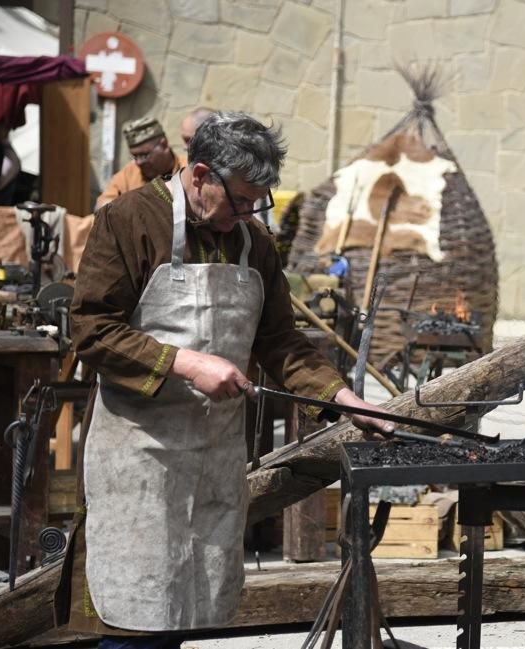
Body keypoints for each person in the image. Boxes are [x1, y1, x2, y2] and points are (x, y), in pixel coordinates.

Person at [62, 111, 394, 648]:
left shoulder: (254, 243)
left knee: (189, 609)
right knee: (137, 615)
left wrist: (344, 397)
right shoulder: (127, 220)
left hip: (214, 458)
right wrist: (186, 362)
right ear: (199, 175)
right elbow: (91, 330)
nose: (246, 212)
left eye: (256, 201)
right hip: (142, 458)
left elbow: (281, 341)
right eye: (239, 199)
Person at [95, 116, 186, 209]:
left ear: (164, 145)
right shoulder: (129, 174)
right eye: (135, 157)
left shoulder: (187, 169)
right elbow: (103, 206)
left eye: (144, 155)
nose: (138, 162)